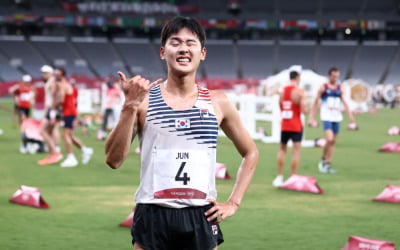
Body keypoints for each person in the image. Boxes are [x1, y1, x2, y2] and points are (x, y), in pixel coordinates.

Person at [105, 16, 259, 250]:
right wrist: (129, 106)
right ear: (162, 51)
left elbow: (251, 152)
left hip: (201, 215)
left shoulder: (218, 102)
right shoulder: (143, 101)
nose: (183, 49)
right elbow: (113, 160)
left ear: (203, 53)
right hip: (153, 213)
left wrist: (234, 202)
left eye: (191, 43)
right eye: (175, 42)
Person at [308, 67, 356, 174]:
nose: (335, 78)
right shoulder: (323, 88)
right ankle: (323, 160)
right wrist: (311, 116)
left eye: (337, 76)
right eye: (334, 76)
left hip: (336, 117)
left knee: (333, 141)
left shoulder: (340, 88)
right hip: (326, 116)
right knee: (329, 139)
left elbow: (344, 102)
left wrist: (350, 116)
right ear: (329, 76)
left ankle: (328, 164)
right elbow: (315, 101)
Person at [273, 71, 307, 187]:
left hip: (285, 124)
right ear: (298, 78)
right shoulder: (300, 92)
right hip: (296, 124)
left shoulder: (282, 91)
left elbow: (280, 106)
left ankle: (279, 176)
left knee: (282, 149)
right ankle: (293, 177)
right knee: (296, 151)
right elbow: (303, 110)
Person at [56, 67, 93, 167]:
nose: (55, 76)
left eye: (57, 75)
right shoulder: (64, 85)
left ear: (61, 75)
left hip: (68, 112)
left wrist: (54, 105)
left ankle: (71, 158)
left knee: (65, 135)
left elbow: (62, 101)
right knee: (70, 135)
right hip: (70, 112)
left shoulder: (63, 85)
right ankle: (85, 150)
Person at [37, 65, 63, 165]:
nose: (43, 75)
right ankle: (51, 155)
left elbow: (54, 98)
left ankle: (55, 152)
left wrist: (51, 113)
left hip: (53, 110)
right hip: (52, 109)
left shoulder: (52, 83)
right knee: (50, 131)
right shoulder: (50, 82)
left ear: (50, 73)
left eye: (45, 73)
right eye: (43, 73)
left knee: (42, 131)